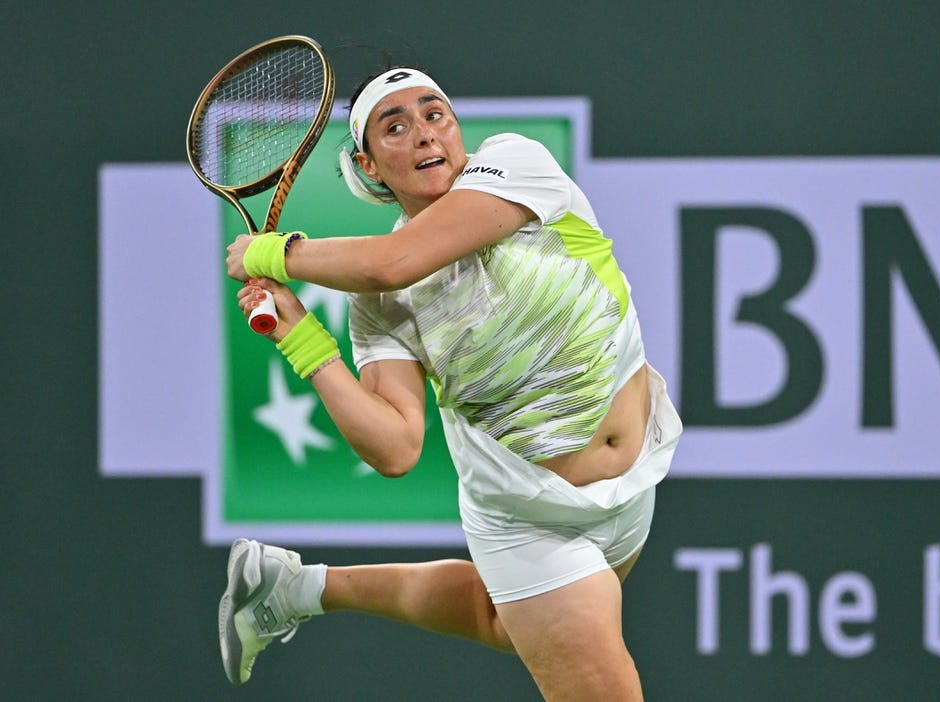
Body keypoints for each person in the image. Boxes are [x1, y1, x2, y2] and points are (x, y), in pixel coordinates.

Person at [219, 66, 681, 701]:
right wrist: (302, 339)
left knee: (500, 621)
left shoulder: (515, 163)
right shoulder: (378, 307)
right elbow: (396, 447)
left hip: (634, 490)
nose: (424, 135)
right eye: (396, 126)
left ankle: (296, 588)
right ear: (371, 166)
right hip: (527, 516)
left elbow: (391, 263)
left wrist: (272, 253)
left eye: (435, 115)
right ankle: (294, 589)